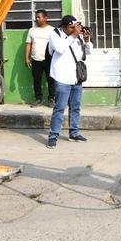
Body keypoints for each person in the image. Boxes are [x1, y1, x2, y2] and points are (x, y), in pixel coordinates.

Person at [47, 15, 92, 148]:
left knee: (75, 107)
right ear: (64, 26)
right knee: (59, 108)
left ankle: (74, 133)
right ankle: (53, 136)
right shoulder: (55, 34)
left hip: (76, 77)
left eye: (75, 27)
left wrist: (86, 39)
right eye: (71, 27)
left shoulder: (77, 35)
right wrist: (73, 35)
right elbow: (60, 49)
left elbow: (87, 52)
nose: (74, 29)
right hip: (62, 77)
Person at [25, 9, 56, 107]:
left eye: (39, 17)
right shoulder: (32, 30)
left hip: (49, 60)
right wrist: (27, 58)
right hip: (36, 59)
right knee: (36, 81)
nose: (37, 19)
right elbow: (28, 44)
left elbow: (56, 45)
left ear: (45, 18)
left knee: (51, 80)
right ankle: (38, 99)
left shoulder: (52, 30)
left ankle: (51, 99)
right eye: (36, 17)